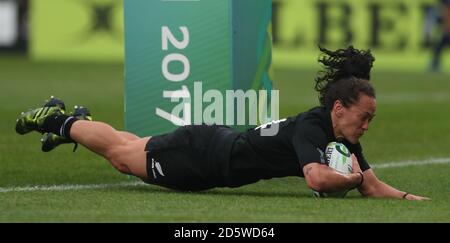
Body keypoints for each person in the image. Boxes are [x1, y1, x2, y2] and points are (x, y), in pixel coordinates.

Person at [15, 46, 429, 200]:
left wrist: (412, 201)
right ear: (339, 108)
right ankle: (59, 120)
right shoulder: (313, 130)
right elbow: (317, 180)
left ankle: (79, 121)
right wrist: (352, 182)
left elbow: (371, 184)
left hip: (213, 153)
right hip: (204, 157)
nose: (367, 126)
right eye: (365, 117)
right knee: (123, 158)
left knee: (132, 146)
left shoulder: (341, 137)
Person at [430, 0, 450, 72]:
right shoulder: (444, 12)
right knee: (438, 46)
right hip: (447, 33)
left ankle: (434, 64)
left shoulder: (445, 11)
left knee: (439, 46)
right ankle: (434, 64)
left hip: (447, 32)